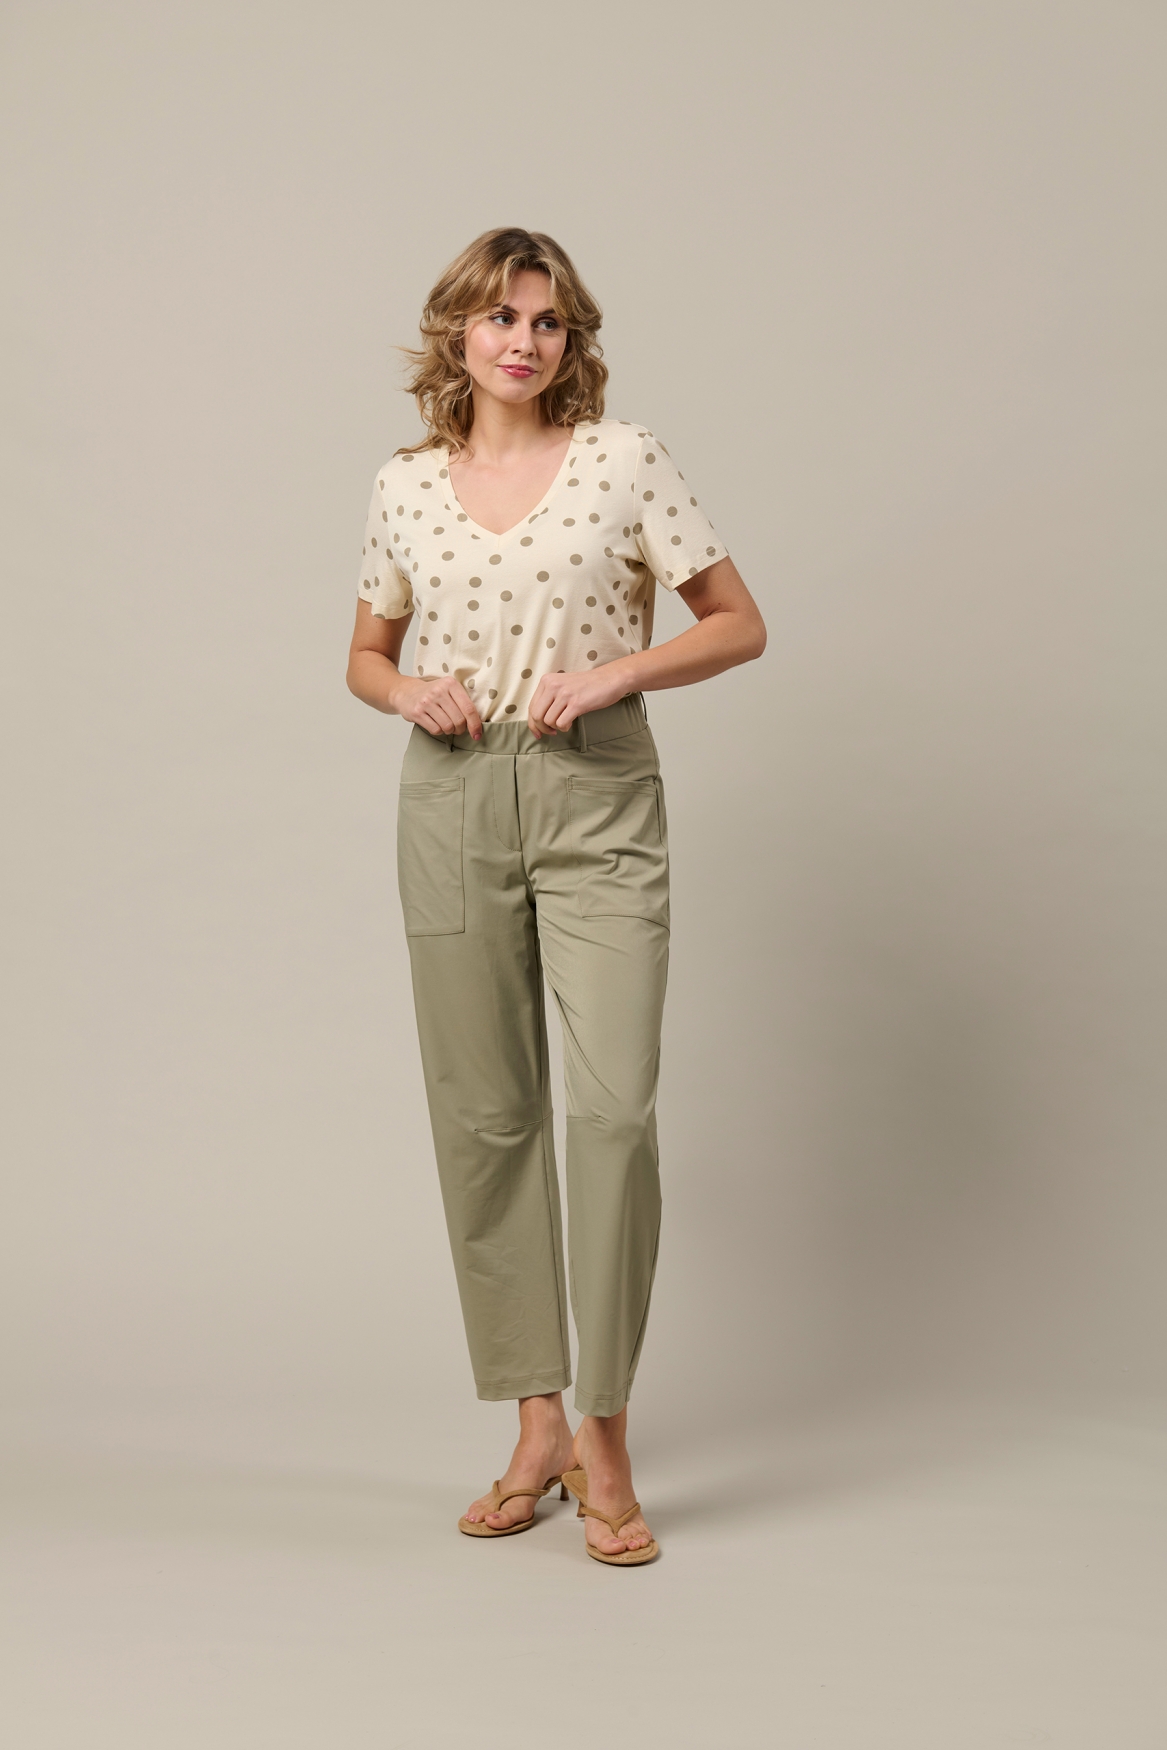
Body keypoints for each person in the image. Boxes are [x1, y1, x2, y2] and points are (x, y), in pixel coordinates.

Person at [346, 228, 765, 1566]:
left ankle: (606, 1426)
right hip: (453, 794)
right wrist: (405, 690)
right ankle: (535, 1424)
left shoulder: (624, 460)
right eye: (499, 318)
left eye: (546, 321)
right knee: (486, 1115)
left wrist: (621, 673)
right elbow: (365, 653)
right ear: (457, 333)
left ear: (570, 340)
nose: (522, 341)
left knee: (612, 1111)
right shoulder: (405, 484)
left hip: (596, 791)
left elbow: (738, 620)